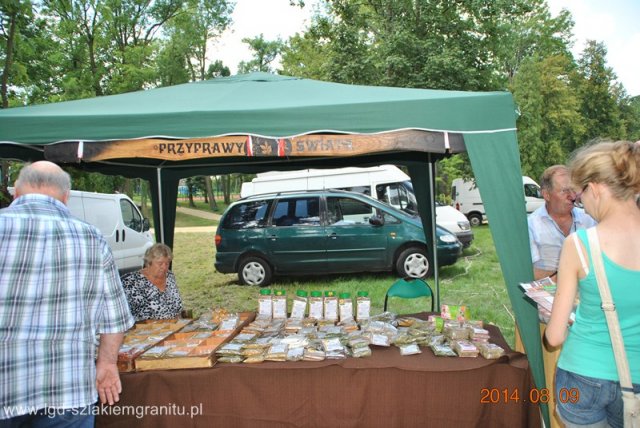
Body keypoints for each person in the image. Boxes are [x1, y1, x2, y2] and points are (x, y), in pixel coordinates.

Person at [0, 161, 134, 427]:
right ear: (66, 197)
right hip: (68, 389)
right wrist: (106, 364)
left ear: (16, 192)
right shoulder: (92, 238)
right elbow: (115, 319)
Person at [545, 141, 640, 428]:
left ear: (596, 188)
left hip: (583, 375)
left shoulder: (581, 244)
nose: (579, 202)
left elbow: (554, 337)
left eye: (580, 194)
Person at [528, 165, 596, 280]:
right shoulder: (532, 225)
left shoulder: (589, 219)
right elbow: (530, 272)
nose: (572, 196)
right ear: (546, 195)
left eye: (573, 190)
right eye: (565, 191)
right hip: (550, 294)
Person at [121, 243, 183, 321]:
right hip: (146, 330)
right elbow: (124, 314)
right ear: (148, 263)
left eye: (167, 263)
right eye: (160, 263)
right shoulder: (132, 282)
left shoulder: (169, 276)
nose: (164, 267)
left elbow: (178, 307)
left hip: (173, 327)